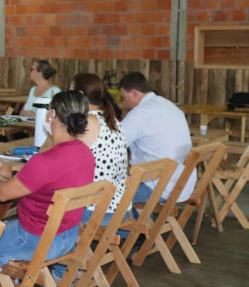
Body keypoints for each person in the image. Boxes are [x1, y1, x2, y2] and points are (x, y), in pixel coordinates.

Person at [0, 91, 94, 287]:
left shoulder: (46, 160)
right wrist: (9, 174)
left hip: (36, 239)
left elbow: (3, 195)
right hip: (67, 236)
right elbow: (44, 183)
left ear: (52, 116)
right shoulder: (84, 153)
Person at [119, 72, 195, 204]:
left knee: (104, 191)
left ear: (134, 93)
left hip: (159, 186)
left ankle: (128, 224)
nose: (124, 102)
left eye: (124, 97)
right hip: (182, 182)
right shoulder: (169, 105)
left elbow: (114, 143)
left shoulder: (140, 112)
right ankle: (141, 223)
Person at [69, 73, 128, 225]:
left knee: (45, 204)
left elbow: (61, 157)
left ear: (79, 95)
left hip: (96, 209)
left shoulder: (87, 122)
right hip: (120, 206)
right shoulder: (111, 119)